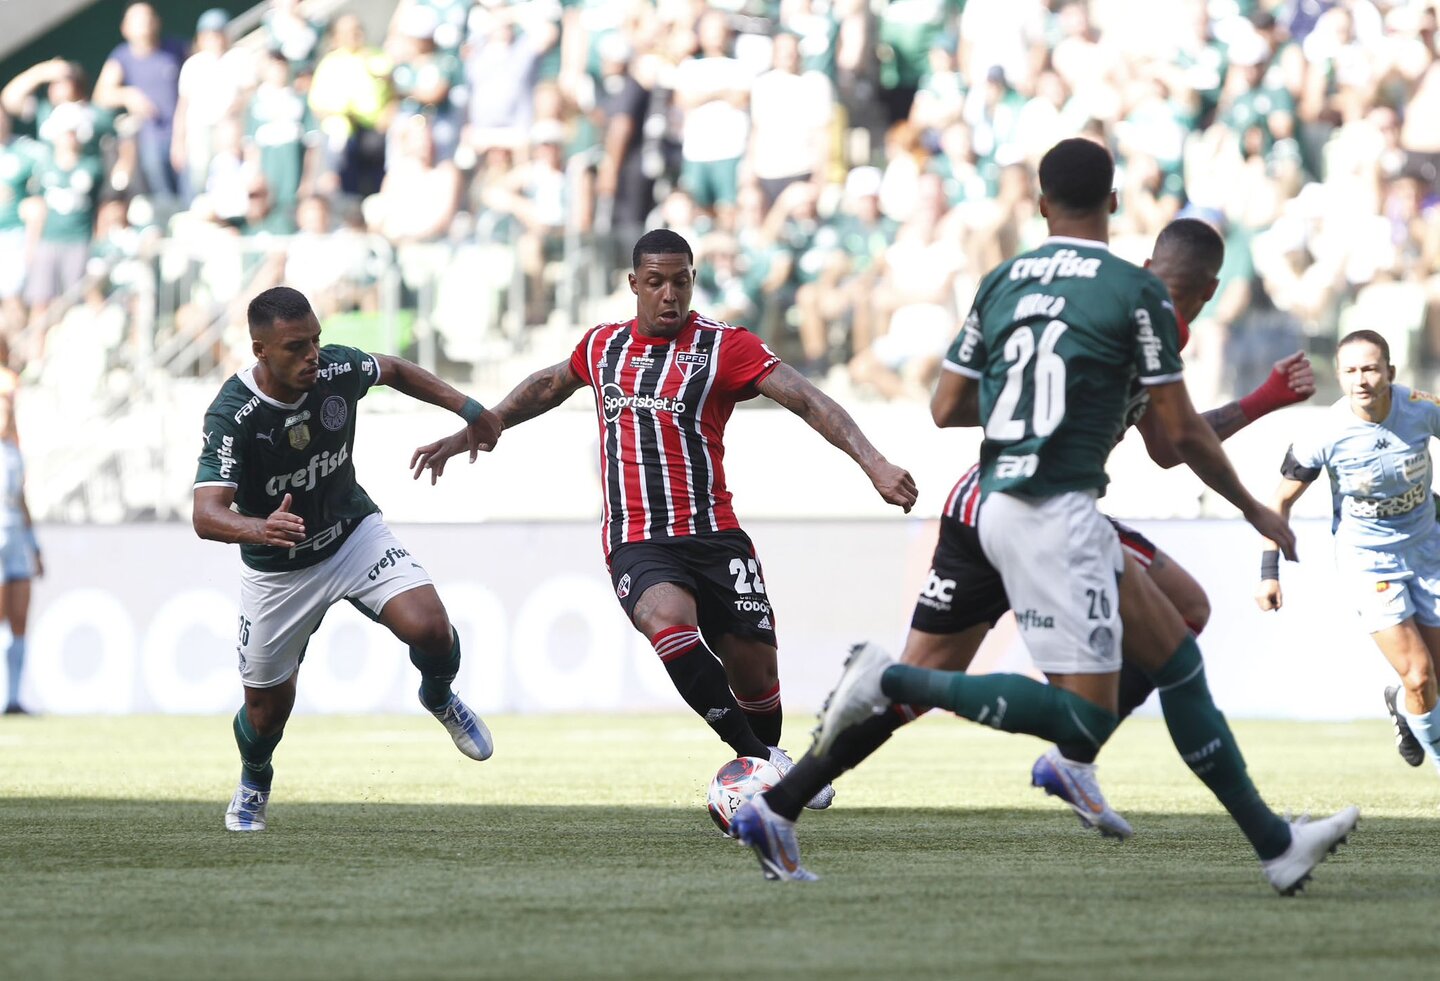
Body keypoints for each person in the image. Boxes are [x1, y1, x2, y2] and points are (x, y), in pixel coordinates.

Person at [734, 139, 1359, 894]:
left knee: (1176, 646)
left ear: (1038, 203)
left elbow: (944, 407)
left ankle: (781, 802)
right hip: (1053, 509)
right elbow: (1181, 436)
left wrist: (1027, 407)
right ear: (1117, 201)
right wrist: (1258, 507)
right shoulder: (1135, 294)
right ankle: (887, 676)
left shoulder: (1004, 280)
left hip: (992, 495)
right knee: (1080, 722)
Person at [411, 228, 918, 806]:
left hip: (715, 535)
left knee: (754, 673)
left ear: (693, 281)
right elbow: (549, 384)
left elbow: (806, 398)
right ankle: (761, 762)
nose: (669, 294)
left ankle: (769, 754)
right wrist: (487, 422)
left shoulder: (726, 346)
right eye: (656, 282)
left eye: (681, 281)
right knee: (666, 620)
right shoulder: (603, 347)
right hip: (637, 537)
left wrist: (874, 463)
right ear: (634, 285)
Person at [193, 286, 501, 831]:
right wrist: (258, 526)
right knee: (266, 713)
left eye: (316, 339)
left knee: (431, 626)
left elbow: (396, 370)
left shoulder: (333, 371)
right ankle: (254, 779)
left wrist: (468, 408)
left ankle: (439, 696)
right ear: (260, 351)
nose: (312, 354)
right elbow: (206, 513)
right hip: (279, 567)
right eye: (295, 347)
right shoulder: (233, 415)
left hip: (351, 533)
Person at [1257, 330, 1440, 777]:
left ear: (1390, 373)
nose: (1362, 380)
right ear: (1339, 376)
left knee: (1432, 680)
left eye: (1371, 368)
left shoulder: (1420, 407)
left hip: (1427, 548)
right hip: (1368, 559)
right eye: (1351, 371)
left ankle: (1400, 705)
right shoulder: (1324, 433)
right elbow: (1278, 501)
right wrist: (1268, 571)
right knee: (1417, 674)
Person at [0, 338, 41, 715]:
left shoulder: (14, 452)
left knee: (19, 621)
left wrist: (36, 547)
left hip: (16, 543)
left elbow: (22, 501)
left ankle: (13, 698)